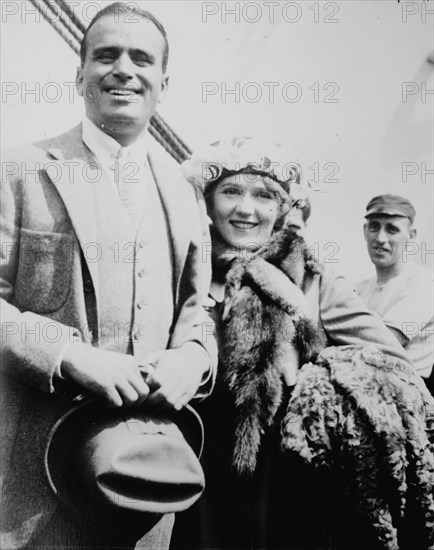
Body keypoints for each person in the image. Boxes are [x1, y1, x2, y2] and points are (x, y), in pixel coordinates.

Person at [0, 3, 217, 549]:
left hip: (142, 484)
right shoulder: (20, 170)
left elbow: (199, 311)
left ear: (163, 82)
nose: (124, 69)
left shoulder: (183, 189)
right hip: (30, 486)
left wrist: (195, 356)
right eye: (106, 55)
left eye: (141, 58)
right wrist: (66, 355)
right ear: (80, 75)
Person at [169, 138, 428, 550]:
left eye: (263, 196)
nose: (246, 209)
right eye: (231, 191)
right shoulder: (185, 274)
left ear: (282, 207)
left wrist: (318, 374)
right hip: (200, 481)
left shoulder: (314, 281)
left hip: (290, 490)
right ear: (207, 200)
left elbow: (394, 367)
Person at [357, 194, 434, 394]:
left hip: (407, 395)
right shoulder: (360, 288)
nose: (380, 238)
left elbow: (384, 343)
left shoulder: (425, 282)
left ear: (412, 234)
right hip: (365, 385)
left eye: (392, 229)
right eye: (374, 227)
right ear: (365, 231)